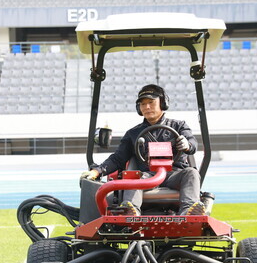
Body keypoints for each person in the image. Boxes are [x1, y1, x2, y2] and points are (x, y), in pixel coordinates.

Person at [81, 84, 205, 216]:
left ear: (163, 103)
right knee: (132, 177)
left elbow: (192, 144)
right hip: (146, 176)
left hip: (175, 175)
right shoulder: (133, 133)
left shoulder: (179, 126)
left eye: (151, 102)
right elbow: (118, 159)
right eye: (143, 104)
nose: (146, 107)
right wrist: (97, 171)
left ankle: (189, 212)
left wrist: (187, 145)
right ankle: (131, 211)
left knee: (191, 173)